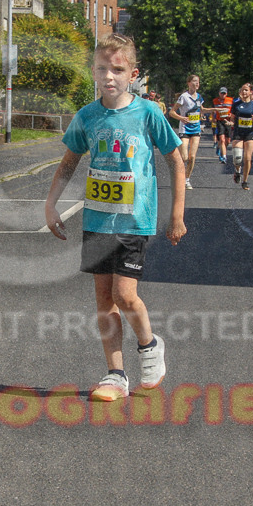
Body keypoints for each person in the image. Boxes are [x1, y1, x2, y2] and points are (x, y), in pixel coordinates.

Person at [45, 33, 186, 402]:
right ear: (93, 71)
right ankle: (115, 375)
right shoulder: (87, 116)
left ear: (132, 74)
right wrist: (51, 204)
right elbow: (69, 162)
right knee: (103, 299)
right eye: (102, 69)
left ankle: (150, 344)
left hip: (133, 221)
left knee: (126, 295)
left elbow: (175, 160)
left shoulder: (148, 114)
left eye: (118, 70)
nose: (109, 76)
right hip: (97, 221)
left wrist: (177, 214)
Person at [169, 74, 207, 190]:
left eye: (198, 82)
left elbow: (202, 110)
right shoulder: (183, 97)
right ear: (189, 83)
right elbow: (172, 112)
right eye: (195, 81)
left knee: (192, 157)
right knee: (184, 157)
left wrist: (215, 110)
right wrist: (182, 118)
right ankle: (178, 174)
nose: (197, 84)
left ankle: (186, 179)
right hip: (185, 129)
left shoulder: (199, 97)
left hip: (196, 129)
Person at [229, 82, 253, 190]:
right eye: (242, 90)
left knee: (248, 158)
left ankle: (245, 181)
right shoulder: (236, 104)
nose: (244, 92)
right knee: (237, 158)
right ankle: (237, 171)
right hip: (238, 133)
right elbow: (232, 118)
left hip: (250, 133)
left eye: (246, 90)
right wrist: (230, 123)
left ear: (250, 92)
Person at [212, 87, 234, 163]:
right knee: (222, 139)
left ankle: (220, 148)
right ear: (219, 93)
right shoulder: (215, 101)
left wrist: (232, 114)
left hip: (228, 121)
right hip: (220, 121)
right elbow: (213, 110)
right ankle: (224, 156)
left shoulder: (231, 100)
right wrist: (213, 117)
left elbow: (234, 110)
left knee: (227, 141)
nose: (223, 95)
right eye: (222, 93)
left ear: (226, 94)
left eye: (224, 93)